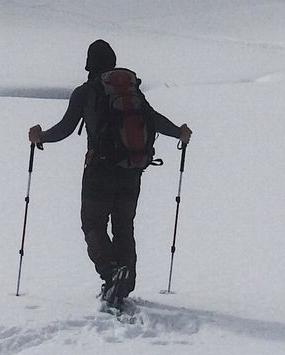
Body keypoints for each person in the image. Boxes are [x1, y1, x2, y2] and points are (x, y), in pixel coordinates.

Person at [28, 39, 192, 305]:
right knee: (124, 225)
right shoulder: (132, 92)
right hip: (132, 168)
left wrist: (40, 137)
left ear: (88, 65)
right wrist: (179, 132)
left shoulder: (86, 92)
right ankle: (122, 285)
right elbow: (154, 119)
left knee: (93, 223)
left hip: (99, 171)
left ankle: (112, 272)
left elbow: (65, 129)